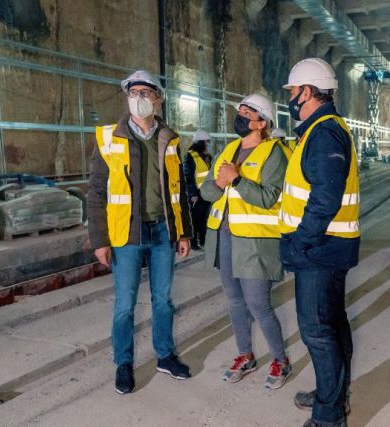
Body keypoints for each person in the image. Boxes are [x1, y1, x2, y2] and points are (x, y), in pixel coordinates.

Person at [87, 70, 192, 395]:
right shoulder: (109, 138)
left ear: (158, 99)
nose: (140, 98)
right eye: (134, 92)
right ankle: (124, 364)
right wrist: (99, 240)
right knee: (125, 304)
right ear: (127, 97)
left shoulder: (170, 139)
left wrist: (184, 232)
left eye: (147, 92)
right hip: (125, 235)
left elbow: (179, 189)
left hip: (162, 231)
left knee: (163, 300)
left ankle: (165, 355)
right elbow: (96, 193)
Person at [279, 58, 360, 427]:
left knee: (317, 331)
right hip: (328, 247)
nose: (292, 99)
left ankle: (328, 417)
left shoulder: (324, 132)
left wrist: (301, 242)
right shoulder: (320, 130)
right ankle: (332, 396)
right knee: (332, 324)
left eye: (294, 92)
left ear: (308, 92)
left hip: (319, 249)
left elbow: (326, 196)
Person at [199, 93, 292, 389]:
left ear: (261, 122)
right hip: (225, 236)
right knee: (234, 300)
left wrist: (238, 180)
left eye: (246, 112)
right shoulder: (228, 149)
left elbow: (268, 198)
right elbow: (206, 193)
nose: (239, 116)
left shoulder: (274, 153)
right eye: (239, 110)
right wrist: (219, 182)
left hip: (256, 241)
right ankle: (245, 355)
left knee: (258, 304)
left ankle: (280, 359)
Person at [183, 129, 212, 251]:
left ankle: (204, 241)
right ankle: (194, 243)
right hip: (197, 194)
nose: (208, 144)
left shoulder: (207, 156)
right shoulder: (190, 156)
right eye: (206, 142)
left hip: (206, 193)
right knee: (195, 219)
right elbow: (188, 176)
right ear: (201, 142)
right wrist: (192, 194)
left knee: (204, 219)